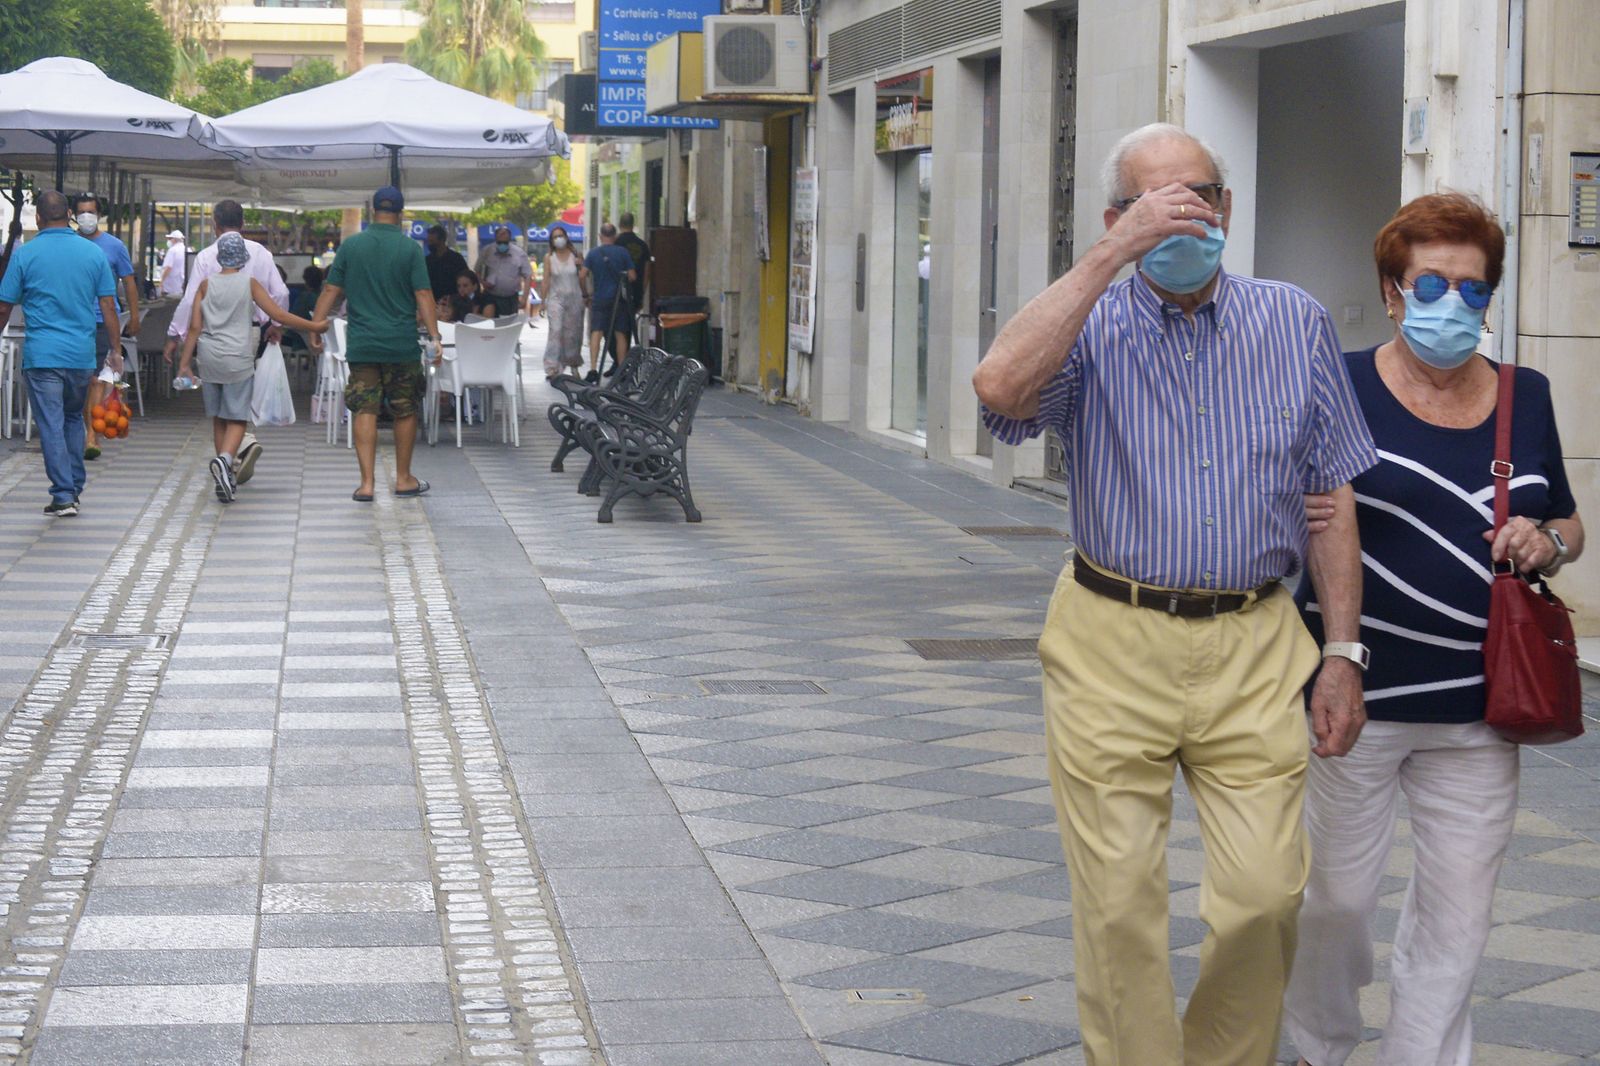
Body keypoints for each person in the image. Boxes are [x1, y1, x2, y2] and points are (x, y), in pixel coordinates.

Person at [971, 123, 1378, 1066]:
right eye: (1155, 203)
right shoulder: (1088, 323)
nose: (1182, 216)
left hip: (1255, 639)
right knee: (1117, 905)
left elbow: (1330, 499)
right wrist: (1112, 258)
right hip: (1111, 636)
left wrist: (1345, 654)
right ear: (1118, 216)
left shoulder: (1294, 319)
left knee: (1266, 896)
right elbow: (998, 390)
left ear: (1228, 209)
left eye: (1198, 196)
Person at [1283, 193, 1587, 1066]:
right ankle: (1320, 1044)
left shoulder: (1524, 397)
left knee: (1460, 910)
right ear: (1390, 290)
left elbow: (1567, 520)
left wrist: (1549, 543)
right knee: (1336, 900)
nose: (1452, 306)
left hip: (1481, 704)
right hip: (1353, 697)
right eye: (1430, 285)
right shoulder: (1335, 383)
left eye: (1473, 289)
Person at [312, 186, 440, 503]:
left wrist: (315, 326)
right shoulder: (410, 249)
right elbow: (424, 295)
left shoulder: (352, 247)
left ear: (372, 212)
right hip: (401, 345)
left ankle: (367, 484)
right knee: (405, 409)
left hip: (363, 344)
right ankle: (404, 479)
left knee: (364, 409)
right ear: (400, 212)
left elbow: (331, 290)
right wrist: (436, 337)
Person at [177, 234, 325, 504]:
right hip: (237, 357)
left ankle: (227, 475)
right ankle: (224, 461)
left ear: (219, 257)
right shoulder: (249, 283)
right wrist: (314, 326)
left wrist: (184, 364)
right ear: (244, 259)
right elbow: (278, 315)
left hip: (209, 358)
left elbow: (195, 327)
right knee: (238, 418)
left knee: (220, 417)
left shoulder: (205, 286)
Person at [0, 191, 121, 517]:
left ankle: (64, 493)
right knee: (71, 418)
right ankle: (72, 488)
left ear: (38, 218)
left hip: (42, 357)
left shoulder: (25, 255)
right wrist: (115, 349)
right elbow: (108, 305)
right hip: (81, 355)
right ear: (69, 214)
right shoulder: (92, 253)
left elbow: (4, 305)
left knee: (51, 423)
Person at [165, 200, 290, 488]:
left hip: (211, 339)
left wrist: (175, 336)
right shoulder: (260, 253)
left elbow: (190, 301)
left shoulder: (207, 256)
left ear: (214, 224)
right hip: (249, 334)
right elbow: (280, 294)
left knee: (221, 407)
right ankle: (237, 451)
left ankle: (229, 462)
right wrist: (276, 326)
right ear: (243, 223)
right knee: (239, 399)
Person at [72, 193, 140, 461]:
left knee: (96, 378)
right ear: (73, 215)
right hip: (75, 320)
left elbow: (129, 281)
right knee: (79, 379)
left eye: (91, 211)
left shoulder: (114, 246)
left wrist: (134, 317)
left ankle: (91, 434)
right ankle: (82, 428)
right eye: (81, 212)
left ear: (99, 215)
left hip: (102, 319)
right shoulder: (70, 244)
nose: (86, 216)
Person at [583, 223, 636, 383]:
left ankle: (593, 368)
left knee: (596, 332)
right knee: (620, 333)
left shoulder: (593, 253)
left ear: (600, 236)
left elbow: (582, 274)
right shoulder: (623, 252)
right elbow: (633, 276)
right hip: (618, 299)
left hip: (599, 298)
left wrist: (586, 293)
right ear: (615, 236)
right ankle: (621, 369)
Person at [540, 224, 586, 378]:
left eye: (561, 235)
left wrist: (586, 295)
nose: (558, 239)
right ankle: (552, 366)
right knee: (556, 330)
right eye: (555, 237)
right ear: (551, 241)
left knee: (572, 334)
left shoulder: (576, 254)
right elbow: (546, 281)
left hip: (575, 298)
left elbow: (582, 277)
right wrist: (542, 301)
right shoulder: (549, 258)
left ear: (566, 237)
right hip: (556, 298)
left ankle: (573, 364)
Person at [475, 226, 530, 319]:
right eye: (500, 242)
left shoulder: (519, 254)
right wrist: (482, 282)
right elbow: (477, 270)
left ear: (509, 240)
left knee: (507, 326)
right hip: (490, 295)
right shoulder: (487, 251)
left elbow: (527, 276)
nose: (502, 245)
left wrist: (524, 298)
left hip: (510, 298)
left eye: (505, 242)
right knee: (489, 323)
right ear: (495, 239)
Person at [614, 212, 651, 321]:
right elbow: (647, 271)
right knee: (630, 324)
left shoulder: (616, 243)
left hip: (617, 291)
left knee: (616, 324)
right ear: (632, 225)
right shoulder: (643, 245)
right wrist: (641, 291)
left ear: (620, 225)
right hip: (636, 290)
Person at [424, 224, 469, 303]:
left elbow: (466, 279)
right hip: (432, 302)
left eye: (432, 241)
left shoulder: (456, 259)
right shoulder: (427, 261)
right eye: (428, 241)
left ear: (442, 240)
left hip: (452, 302)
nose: (429, 244)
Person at [160, 230, 187, 296]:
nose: (169, 241)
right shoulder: (187, 250)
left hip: (171, 286)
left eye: (170, 239)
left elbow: (168, 267)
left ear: (174, 240)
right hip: (183, 285)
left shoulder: (172, 251)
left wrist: (162, 282)